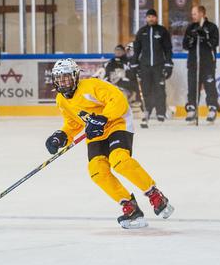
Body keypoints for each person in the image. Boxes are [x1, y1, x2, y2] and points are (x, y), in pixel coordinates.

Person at [45, 58, 174, 229]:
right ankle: (130, 206)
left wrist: (103, 118)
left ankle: (155, 195)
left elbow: (118, 99)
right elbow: (73, 123)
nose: (63, 82)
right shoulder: (61, 100)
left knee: (119, 160)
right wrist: (61, 136)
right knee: (97, 171)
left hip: (116, 123)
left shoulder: (91, 86)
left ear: (75, 76)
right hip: (96, 132)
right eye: (59, 78)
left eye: (66, 77)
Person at [131, 9, 173, 122]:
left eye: (153, 16)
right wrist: (134, 64)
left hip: (159, 65)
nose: (151, 18)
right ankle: (147, 110)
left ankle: (160, 113)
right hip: (145, 66)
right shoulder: (141, 32)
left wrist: (169, 64)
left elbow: (168, 49)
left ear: (156, 18)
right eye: (149, 16)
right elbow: (136, 50)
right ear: (146, 18)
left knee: (160, 89)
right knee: (146, 89)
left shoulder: (162, 31)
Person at [183, 5, 220, 123]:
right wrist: (192, 39)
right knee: (193, 87)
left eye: (194, 13)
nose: (192, 16)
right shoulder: (191, 27)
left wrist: (205, 36)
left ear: (202, 14)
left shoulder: (212, 27)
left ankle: (212, 108)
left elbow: (215, 43)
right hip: (193, 64)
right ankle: (192, 108)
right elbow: (185, 45)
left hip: (208, 64)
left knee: (210, 87)